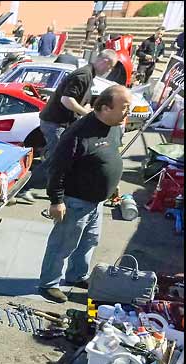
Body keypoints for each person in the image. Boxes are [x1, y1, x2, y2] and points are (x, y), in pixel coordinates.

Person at [38, 85, 133, 303]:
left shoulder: (114, 127)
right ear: (106, 108)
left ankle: (76, 276)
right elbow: (57, 168)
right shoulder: (77, 134)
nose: (128, 112)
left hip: (96, 202)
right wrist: (56, 201)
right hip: (75, 202)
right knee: (63, 244)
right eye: (124, 107)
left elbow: (110, 155)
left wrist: (112, 183)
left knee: (89, 241)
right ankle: (48, 284)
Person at [19, 49, 118, 202]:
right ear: (104, 61)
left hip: (58, 123)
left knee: (59, 158)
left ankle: (51, 186)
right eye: (110, 66)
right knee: (56, 159)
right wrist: (86, 113)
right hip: (55, 123)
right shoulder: (83, 75)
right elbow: (67, 100)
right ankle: (23, 188)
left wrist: (85, 108)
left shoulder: (88, 75)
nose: (109, 70)